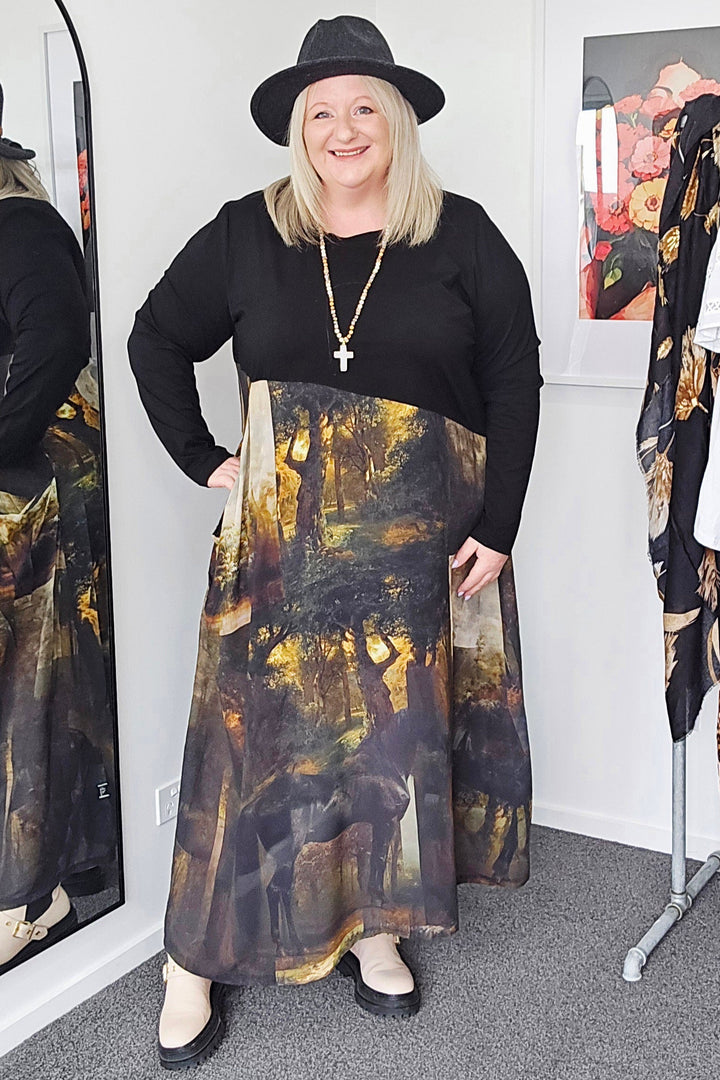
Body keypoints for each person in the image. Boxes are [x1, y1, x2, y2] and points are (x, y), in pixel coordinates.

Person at [128, 15, 542, 1070]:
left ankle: (376, 932)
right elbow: (154, 337)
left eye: (365, 107)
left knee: (387, 752)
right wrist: (207, 460)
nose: (344, 129)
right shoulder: (245, 234)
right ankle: (191, 961)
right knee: (244, 755)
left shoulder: (462, 236)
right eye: (323, 112)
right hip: (279, 558)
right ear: (298, 129)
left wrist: (500, 525)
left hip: (420, 558)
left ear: (397, 121)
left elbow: (513, 380)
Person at [0, 86, 116, 975]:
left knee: (32, 694)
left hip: (31, 486)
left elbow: (55, 347)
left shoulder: (24, 226)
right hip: (19, 481)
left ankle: (32, 896)